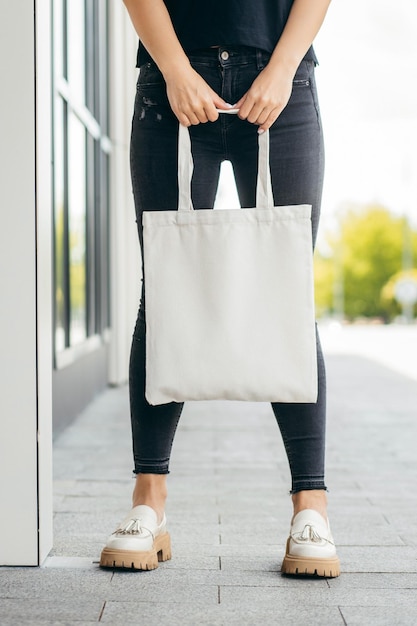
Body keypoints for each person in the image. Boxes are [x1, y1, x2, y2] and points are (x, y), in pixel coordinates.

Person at [100, 0, 340, 577]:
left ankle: (311, 509)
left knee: (288, 295)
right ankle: (148, 505)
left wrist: (282, 70)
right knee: (163, 293)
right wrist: (176, 70)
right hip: (173, 81)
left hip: (281, 85)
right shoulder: (173, 75)